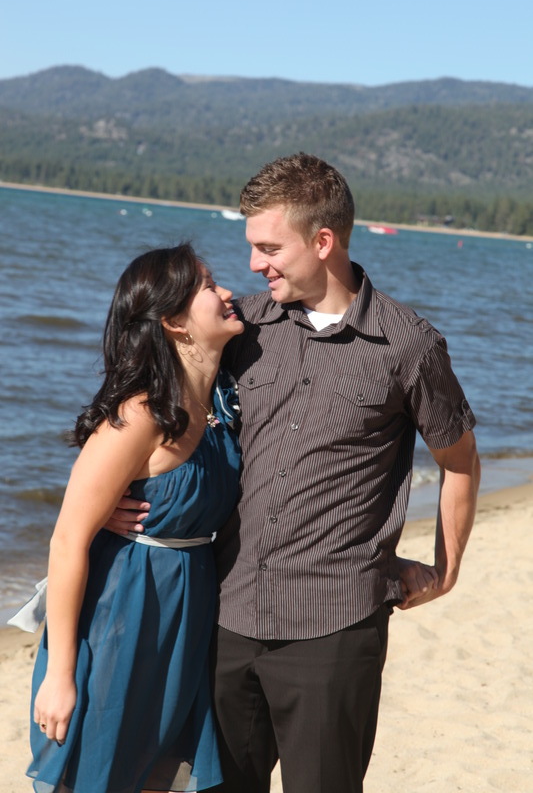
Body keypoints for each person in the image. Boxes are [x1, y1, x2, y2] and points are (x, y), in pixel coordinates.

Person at [110, 154, 480, 793]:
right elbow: (149, 401)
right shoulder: (242, 326)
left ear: (323, 241)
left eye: (269, 247)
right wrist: (114, 502)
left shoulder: (411, 346)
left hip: (334, 630)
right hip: (224, 615)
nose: (255, 264)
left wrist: (446, 570)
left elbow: (460, 461)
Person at [24, 243, 244, 793]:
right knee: (97, 769)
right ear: (173, 321)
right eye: (209, 286)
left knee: (156, 772)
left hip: (184, 617)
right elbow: (67, 540)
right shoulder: (140, 413)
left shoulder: (222, 403)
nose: (228, 293)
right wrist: (60, 675)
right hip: (120, 614)